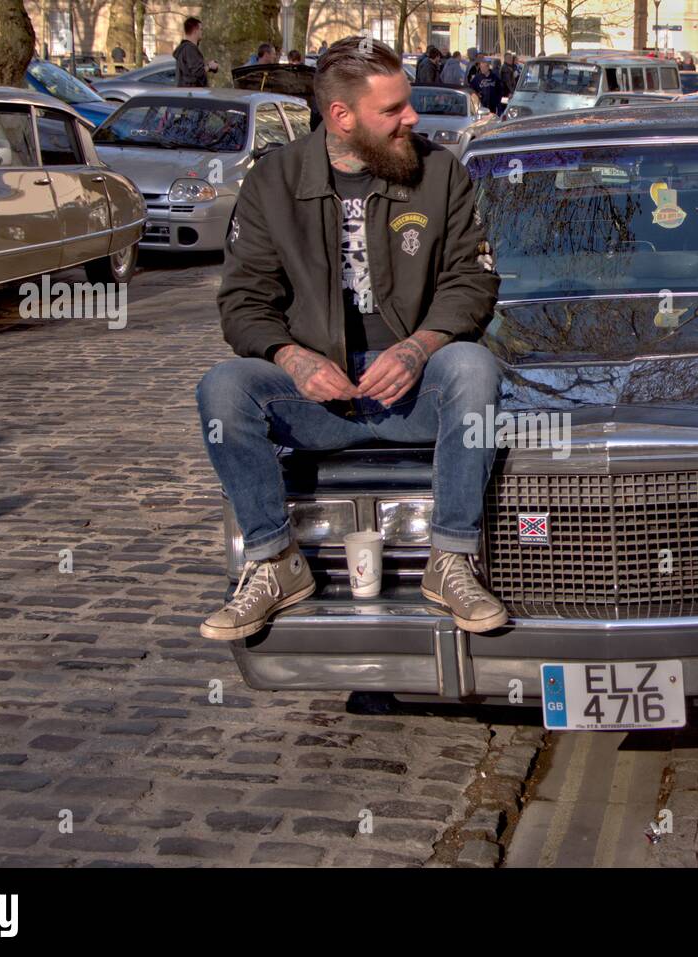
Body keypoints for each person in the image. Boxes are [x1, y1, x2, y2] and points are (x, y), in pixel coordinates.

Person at [197, 36, 507, 641]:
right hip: (318, 397)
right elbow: (242, 303)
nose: (411, 118)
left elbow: (473, 280)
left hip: (419, 392)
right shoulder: (273, 181)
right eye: (393, 110)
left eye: (407, 104)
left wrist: (421, 345)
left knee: (473, 367)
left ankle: (451, 560)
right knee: (224, 389)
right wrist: (293, 357)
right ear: (341, 116)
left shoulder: (441, 172)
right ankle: (271, 560)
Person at [174, 16, 219, 87]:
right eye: (201, 29)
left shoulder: (185, 48)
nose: (202, 32)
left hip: (188, 93)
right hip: (192, 94)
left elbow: (191, 72)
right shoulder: (189, 49)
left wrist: (209, 66)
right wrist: (210, 66)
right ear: (195, 31)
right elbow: (198, 72)